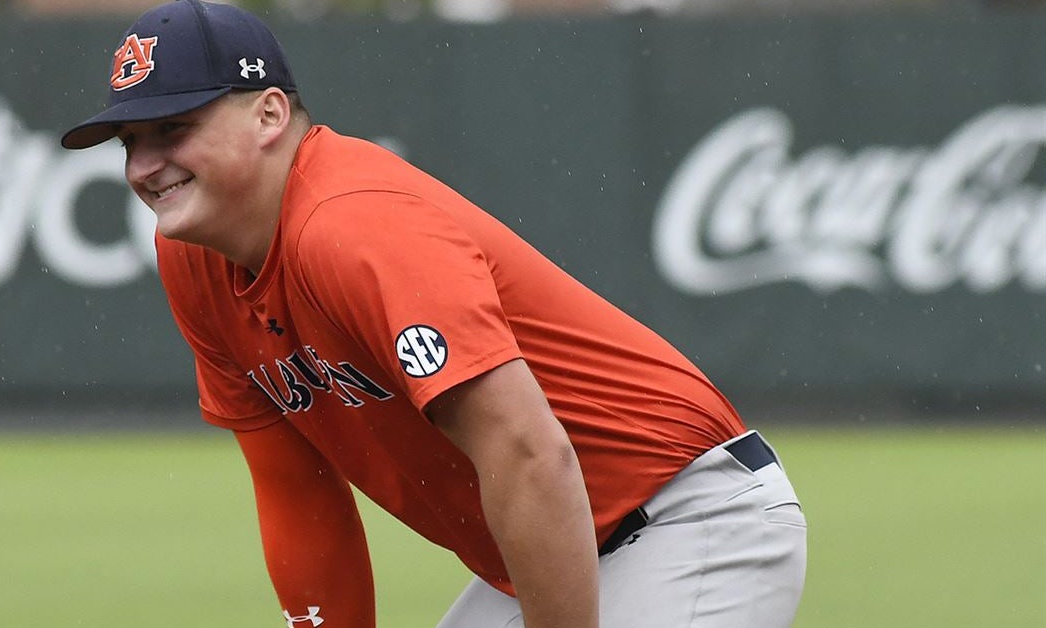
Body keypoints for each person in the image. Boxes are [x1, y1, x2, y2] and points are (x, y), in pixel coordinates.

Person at [61, 1, 807, 626]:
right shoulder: (194, 261)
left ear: (268, 114)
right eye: (130, 142)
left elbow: (530, 454)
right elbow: (298, 495)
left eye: (173, 129)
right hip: (545, 551)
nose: (143, 166)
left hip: (688, 518)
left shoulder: (351, 225)